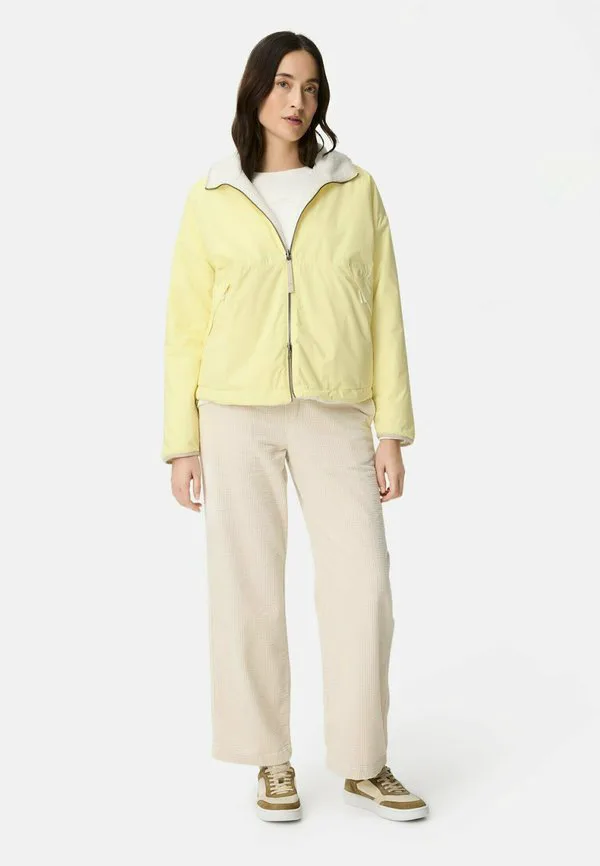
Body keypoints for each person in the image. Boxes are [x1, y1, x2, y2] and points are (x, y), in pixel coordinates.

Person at [161, 30, 429, 823]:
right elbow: (184, 326)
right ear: (256, 90)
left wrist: (391, 429)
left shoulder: (354, 189)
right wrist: (181, 442)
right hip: (233, 411)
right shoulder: (212, 195)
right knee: (245, 588)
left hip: (334, 409)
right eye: (283, 83)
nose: (297, 101)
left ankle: (363, 761)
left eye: (310, 88)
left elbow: (385, 310)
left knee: (363, 585)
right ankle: (269, 759)